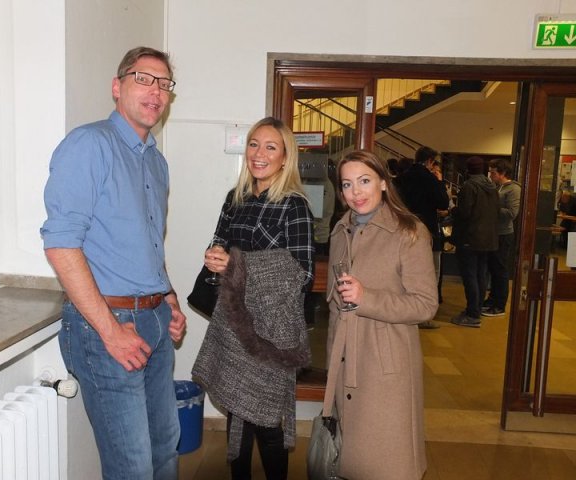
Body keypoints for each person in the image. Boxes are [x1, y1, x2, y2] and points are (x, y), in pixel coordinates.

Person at [40, 47, 186, 480]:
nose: (156, 91)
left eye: (164, 84)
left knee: (165, 450)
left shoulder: (156, 162)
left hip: (154, 318)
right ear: (116, 87)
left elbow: (147, 242)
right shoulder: (90, 144)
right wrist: (110, 331)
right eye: (143, 79)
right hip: (107, 325)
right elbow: (61, 244)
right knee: (133, 468)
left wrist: (169, 296)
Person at [192, 117, 314, 480]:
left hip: (272, 331)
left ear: (285, 157)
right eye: (254, 144)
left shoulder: (294, 205)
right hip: (234, 321)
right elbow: (220, 242)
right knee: (237, 407)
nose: (259, 154)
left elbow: (303, 273)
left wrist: (238, 264)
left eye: (270, 147)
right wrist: (215, 256)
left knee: (267, 420)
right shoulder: (236, 198)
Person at [326, 150, 439, 479]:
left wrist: (367, 298)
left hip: (385, 368)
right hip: (346, 360)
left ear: (384, 183)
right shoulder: (340, 231)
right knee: (349, 461)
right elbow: (334, 306)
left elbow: (425, 304)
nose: (355, 192)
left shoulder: (409, 232)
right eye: (347, 184)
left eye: (364, 181)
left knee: (386, 463)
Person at [394, 146, 450, 329]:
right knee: (430, 271)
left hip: (402, 228)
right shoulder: (430, 179)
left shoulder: (402, 178)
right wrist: (439, 182)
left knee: (403, 271)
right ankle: (423, 315)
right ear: (430, 161)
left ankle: (404, 310)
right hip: (426, 229)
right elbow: (443, 203)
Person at [450, 156, 499, 328]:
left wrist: (452, 209)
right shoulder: (492, 187)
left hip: (470, 237)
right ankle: (476, 309)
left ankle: (472, 314)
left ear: (468, 169)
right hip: (488, 238)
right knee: (480, 274)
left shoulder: (469, 186)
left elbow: (465, 213)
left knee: (470, 275)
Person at [481, 158, 521, 317]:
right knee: (493, 269)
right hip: (494, 233)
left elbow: (512, 213)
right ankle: (492, 300)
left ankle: (499, 305)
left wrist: (491, 207)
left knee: (500, 270)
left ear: (503, 173)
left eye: (493, 172)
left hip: (503, 234)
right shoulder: (498, 187)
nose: (490, 175)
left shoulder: (513, 189)